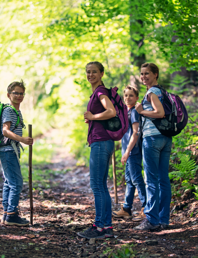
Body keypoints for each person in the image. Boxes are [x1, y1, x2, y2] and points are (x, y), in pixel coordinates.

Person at [77, 61, 116, 239]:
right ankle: (106, 227)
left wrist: (93, 116)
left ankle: (99, 226)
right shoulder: (97, 92)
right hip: (102, 142)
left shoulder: (100, 92)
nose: (90, 75)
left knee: (97, 185)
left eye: (94, 72)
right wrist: (93, 119)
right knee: (101, 186)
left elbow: (111, 111)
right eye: (88, 72)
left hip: (101, 143)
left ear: (101, 74)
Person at [134, 63, 172, 231]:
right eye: (142, 74)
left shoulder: (151, 93)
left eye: (147, 73)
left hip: (152, 138)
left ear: (155, 74)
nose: (144, 77)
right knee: (163, 180)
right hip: (165, 137)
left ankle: (152, 220)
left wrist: (141, 111)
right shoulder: (162, 92)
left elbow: (160, 113)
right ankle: (163, 219)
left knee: (151, 180)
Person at [0, 80, 33, 226]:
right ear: (8, 95)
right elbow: (5, 131)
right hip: (7, 149)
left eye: (21, 93)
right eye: (16, 93)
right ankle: (12, 215)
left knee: (9, 182)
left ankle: (7, 213)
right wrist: (22, 139)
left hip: (10, 150)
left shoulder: (16, 111)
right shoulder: (9, 110)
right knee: (16, 183)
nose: (19, 96)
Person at [112, 86, 146, 221]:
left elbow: (136, 133)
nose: (128, 98)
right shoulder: (126, 112)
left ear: (137, 97)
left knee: (137, 180)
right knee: (129, 181)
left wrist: (127, 152)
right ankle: (126, 209)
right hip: (127, 151)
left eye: (131, 96)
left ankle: (146, 208)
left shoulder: (134, 113)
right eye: (125, 95)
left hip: (133, 151)